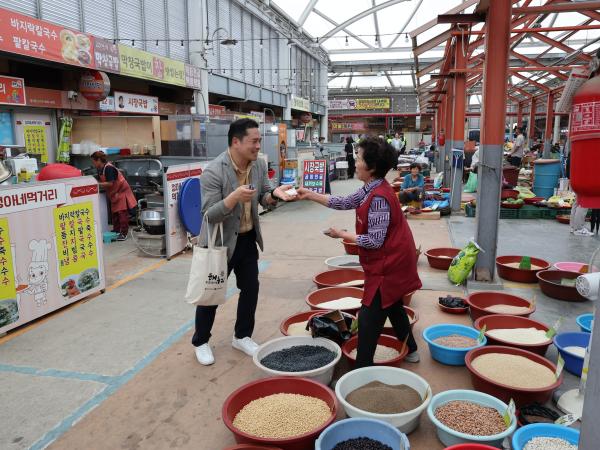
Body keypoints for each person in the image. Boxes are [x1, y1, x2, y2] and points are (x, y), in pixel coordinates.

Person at [297, 137, 422, 368]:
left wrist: (342, 234)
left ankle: (362, 369)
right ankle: (412, 349)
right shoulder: (369, 188)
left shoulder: (379, 198)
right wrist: (310, 194)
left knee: (367, 318)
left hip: (390, 265)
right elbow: (344, 201)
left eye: (359, 158)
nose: (355, 161)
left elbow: (374, 241)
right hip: (389, 260)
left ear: (371, 167)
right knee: (393, 304)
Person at [193, 119, 295, 365]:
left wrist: (274, 195)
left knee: (251, 289)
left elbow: (263, 195)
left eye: (259, 140)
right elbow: (209, 214)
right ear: (236, 142)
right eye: (254, 141)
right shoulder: (214, 171)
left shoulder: (258, 165)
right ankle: (201, 341)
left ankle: (242, 336)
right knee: (212, 293)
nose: (258, 146)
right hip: (220, 242)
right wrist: (233, 198)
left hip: (247, 238)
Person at [91, 151, 136, 241]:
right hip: (114, 193)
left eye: (94, 161)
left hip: (121, 191)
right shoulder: (101, 169)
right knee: (115, 213)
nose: (93, 163)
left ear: (99, 160)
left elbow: (110, 183)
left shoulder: (109, 168)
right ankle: (116, 231)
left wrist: (97, 184)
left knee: (122, 213)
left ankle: (123, 233)